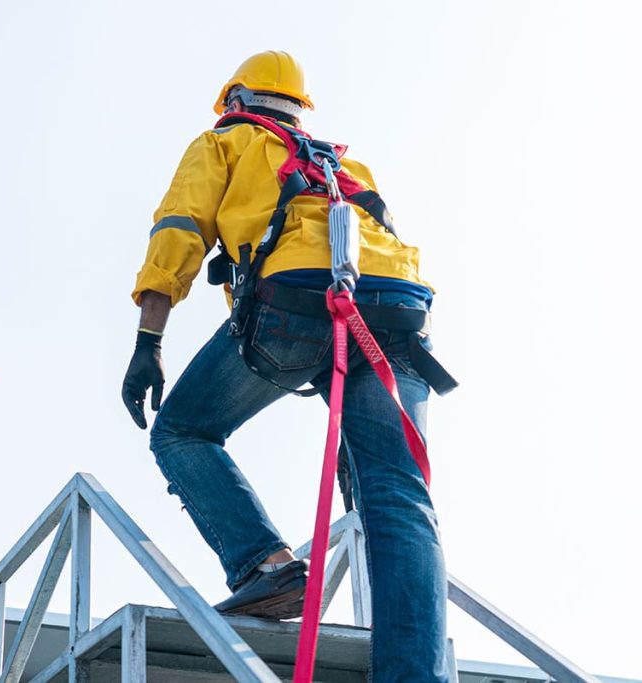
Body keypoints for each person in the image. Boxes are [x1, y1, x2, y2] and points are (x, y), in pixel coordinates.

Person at [121, 51, 453, 682]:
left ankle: (266, 568)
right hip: (399, 315)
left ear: (238, 101)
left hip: (296, 303)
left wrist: (149, 340)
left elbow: (179, 228)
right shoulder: (344, 165)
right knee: (396, 494)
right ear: (299, 110)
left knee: (182, 431)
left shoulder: (228, 141)